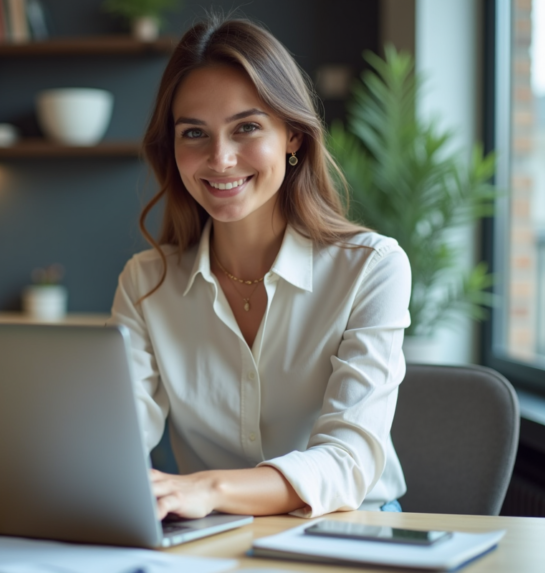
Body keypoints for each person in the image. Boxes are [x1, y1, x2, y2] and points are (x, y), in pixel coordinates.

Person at [109, 16, 411, 520]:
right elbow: (112, 441)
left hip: (352, 528)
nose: (220, 158)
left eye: (246, 127)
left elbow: (347, 460)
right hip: (214, 535)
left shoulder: (372, 268)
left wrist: (208, 488)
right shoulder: (146, 281)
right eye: (194, 133)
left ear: (292, 135)